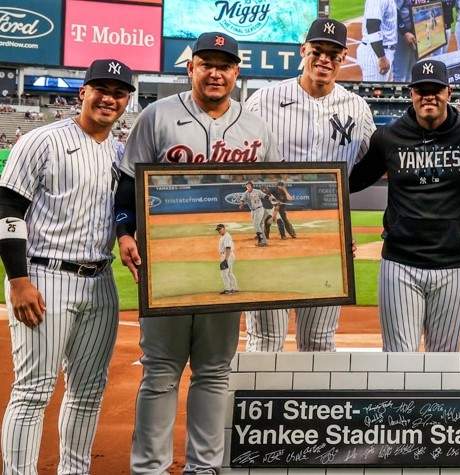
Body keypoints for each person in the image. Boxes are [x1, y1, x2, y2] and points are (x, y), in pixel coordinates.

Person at [114, 32, 280, 473]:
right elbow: (128, 181)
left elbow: (274, 184)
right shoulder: (156, 115)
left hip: (229, 256)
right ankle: (149, 467)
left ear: (236, 73)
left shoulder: (257, 126)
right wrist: (124, 231)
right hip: (165, 262)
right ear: (190, 69)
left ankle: (204, 466)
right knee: (161, 372)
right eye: (206, 63)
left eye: (224, 65)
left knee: (214, 371)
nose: (215, 72)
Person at [0, 58, 134, 474]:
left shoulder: (121, 153)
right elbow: (7, 207)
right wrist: (18, 279)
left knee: (89, 391)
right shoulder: (41, 141)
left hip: (101, 280)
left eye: (118, 92)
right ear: (83, 92)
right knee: (33, 391)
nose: (108, 99)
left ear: (127, 100)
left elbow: (126, 213)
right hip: (43, 275)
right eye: (101, 89)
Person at [244, 18, 375, 352]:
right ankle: (263, 405)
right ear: (303, 51)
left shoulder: (357, 107)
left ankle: (309, 406)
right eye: (318, 51)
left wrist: (342, 213)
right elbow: (243, 159)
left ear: (344, 57)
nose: (325, 60)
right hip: (273, 227)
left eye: (334, 53)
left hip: (329, 236)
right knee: (266, 339)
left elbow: (370, 164)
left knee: (318, 341)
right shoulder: (264, 99)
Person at [350, 60, 460, 351]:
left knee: (444, 360)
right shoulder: (387, 138)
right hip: (399, 263)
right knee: (398, 359)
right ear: (411, 93)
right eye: (421, 90)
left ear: (449, 92)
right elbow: (349, 182)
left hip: (454, 265)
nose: (429, 95)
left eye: (436, 89)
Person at [356, 0, 397, 82]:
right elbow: (372, 26)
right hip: (375, 53)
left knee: (384, 91)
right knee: (374, 92)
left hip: (383, 50)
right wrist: (381, 57)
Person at [239, 180, 268, 246]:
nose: (248, 188)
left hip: (259, 209)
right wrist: (241, 204)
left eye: (249, 186)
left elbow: (265, 196)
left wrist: (271, 198)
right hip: (253, 211)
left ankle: (260, 241)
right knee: (259, 226)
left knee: (256, 224)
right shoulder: (246, 193)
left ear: (252, 186)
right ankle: (264, 241)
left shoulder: (257, 191)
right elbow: (242, 199)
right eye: (247, 186)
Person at [216, 223, 239, 294]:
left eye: (220, 229)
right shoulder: (224, 236)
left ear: (224, 228)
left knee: (224, 273)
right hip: (228, 255)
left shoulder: (227, 236)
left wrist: (225, 259)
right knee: (229, 273)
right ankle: (234, 288)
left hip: (227, 256)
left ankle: (228, 289)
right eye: (218, 230)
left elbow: (228, 248)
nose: (219, 231)